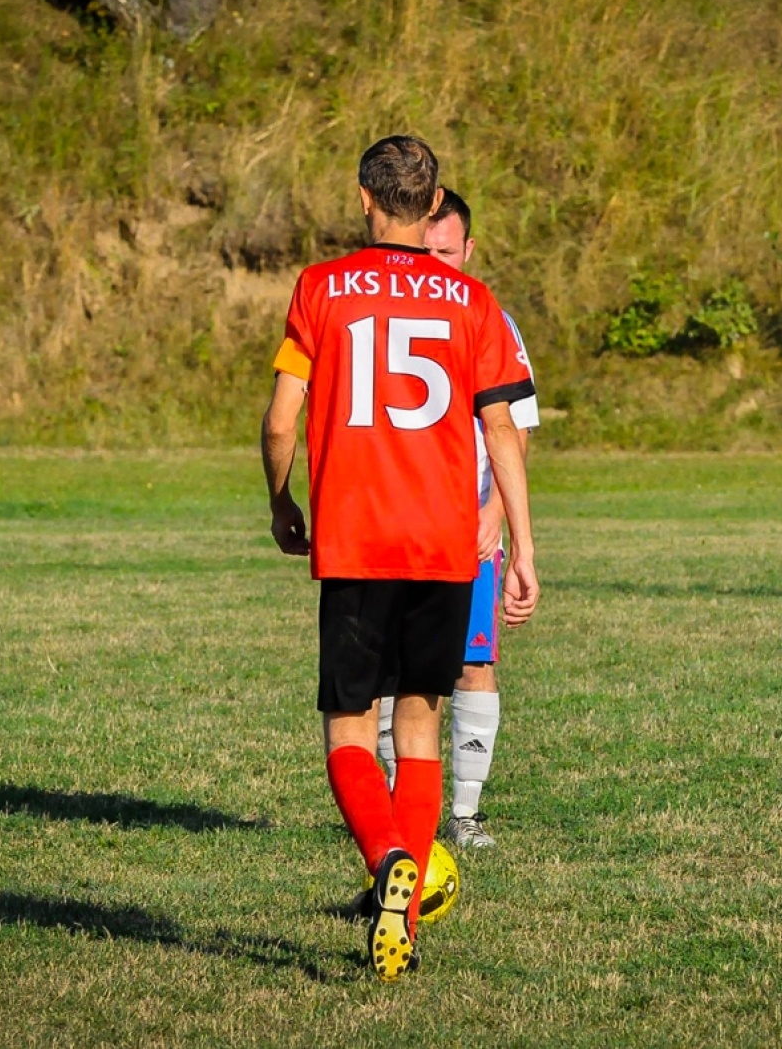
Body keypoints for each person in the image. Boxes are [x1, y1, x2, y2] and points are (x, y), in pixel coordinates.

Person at [259, 135, 539, 980]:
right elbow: (502, 430)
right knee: (419, 723)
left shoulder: (321, 288)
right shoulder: (472, 300)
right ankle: (403, 925)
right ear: (433, 203)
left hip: (354, 536)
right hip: (446, 546)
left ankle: (387, 863)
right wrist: (522, 542)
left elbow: (281, 420)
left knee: (350, 726)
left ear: (364, 199)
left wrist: (281, 499)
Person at [377, 188, 539, 850]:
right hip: (395, 521)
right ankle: (394, 812)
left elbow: (515, 428)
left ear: (468, 251)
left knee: (472, 663)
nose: (437, 263)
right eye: (426, 250)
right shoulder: (386, 314)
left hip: (466, 522)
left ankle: (464, 814)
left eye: (448, 252)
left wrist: (496, 511)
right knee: (391, 669)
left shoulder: (489, 320)